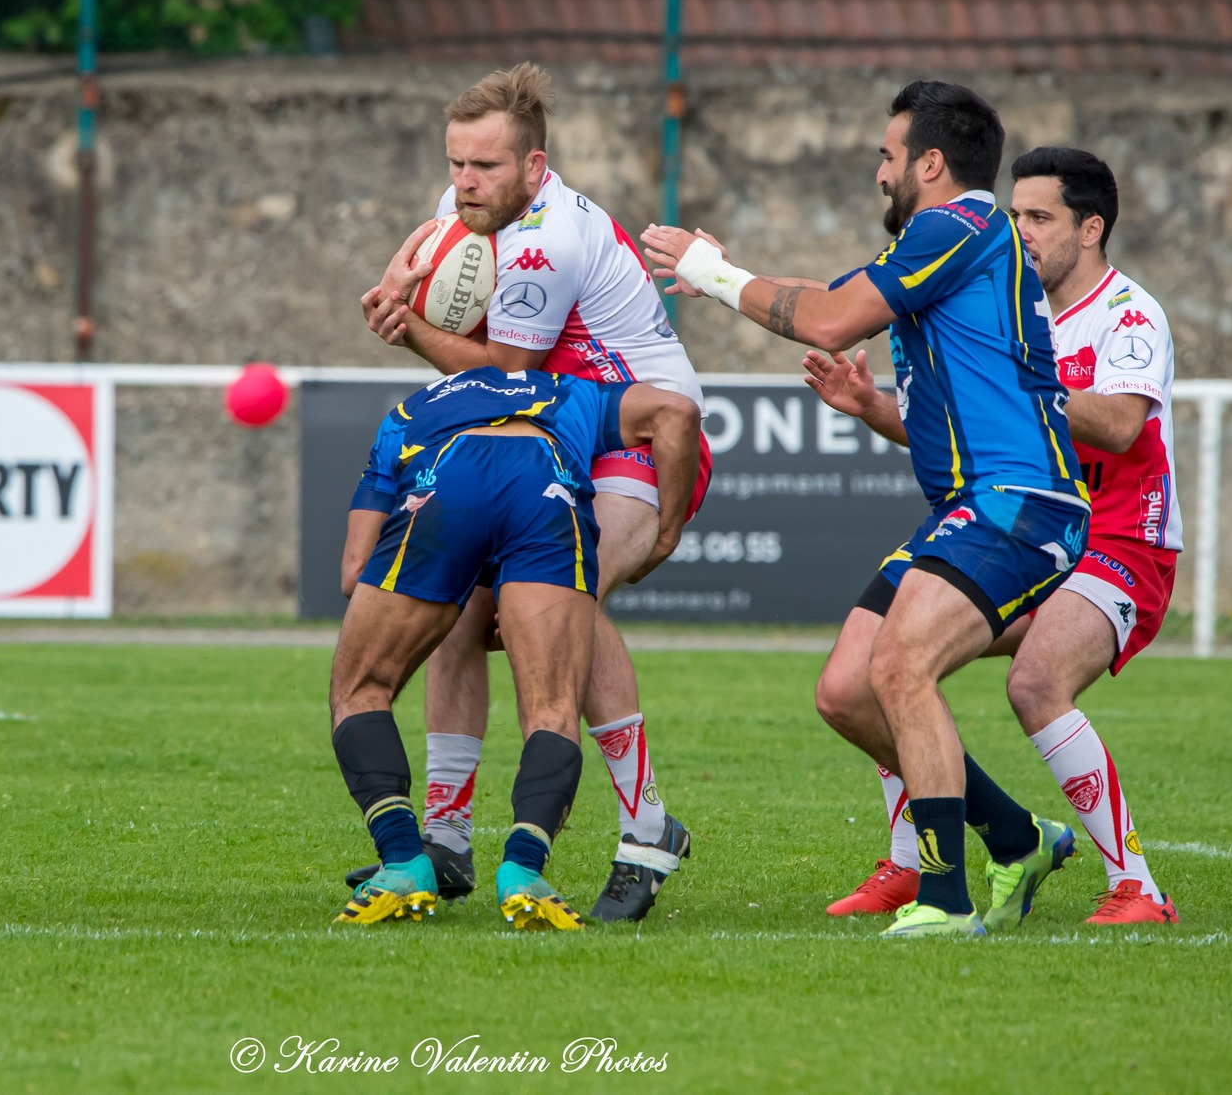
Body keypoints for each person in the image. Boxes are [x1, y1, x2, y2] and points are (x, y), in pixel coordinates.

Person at [640, 81, 1088, 938]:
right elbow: (828, 294)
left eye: (889, 156)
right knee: (848, 689)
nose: (879, 172)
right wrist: (730, 277)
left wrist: (711, 271)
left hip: (1021, 501)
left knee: (900, 668)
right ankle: (1018, 835)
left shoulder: (956, 224)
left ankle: (947, 898)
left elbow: (834, 319)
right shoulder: (951, 245)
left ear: (929, 163)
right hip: (975, 500)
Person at [352, 63, 707, 922]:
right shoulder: (461, 212)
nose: (466, 185)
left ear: (535, 168)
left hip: (637, 438)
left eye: (487, 169)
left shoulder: (545, 241)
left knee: (560, 602)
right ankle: (443, 834)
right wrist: (403, 285)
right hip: (550, 438)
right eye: (457, 165)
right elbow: (446, 281)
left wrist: (413, 332)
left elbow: (504, 377)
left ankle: (647, 821)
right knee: (457, 605)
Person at [811, 147, 1181, 925]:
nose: (1022, 231)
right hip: (1020, 521)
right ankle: (943, 856)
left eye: (1040, 218)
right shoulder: (1010, 301)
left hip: (1116, 538)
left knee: (1033, 682)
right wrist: (874, 407)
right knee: (867, 672)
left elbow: (1117, 426)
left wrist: (1022, 383)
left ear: (1091, 229)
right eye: (1016, 215)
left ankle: (1137, 887)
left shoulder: (1129, 314)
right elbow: (973, 437)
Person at [330, 366, 699, 931]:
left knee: (360, 691)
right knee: (552, 706)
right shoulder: (569, 390)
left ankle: (407, 858)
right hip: (543, 482)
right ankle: (523, 870)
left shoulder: (409, 411)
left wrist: (446, 583)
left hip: (444, 479)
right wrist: (668, 532)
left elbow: (355, 572)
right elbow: (678, 413)